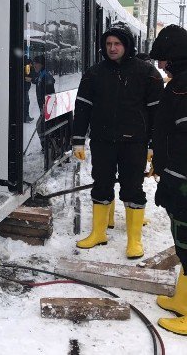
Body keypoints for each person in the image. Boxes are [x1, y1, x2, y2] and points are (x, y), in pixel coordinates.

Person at [72, 22, 163, 258]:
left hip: (135, 142)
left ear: (127, 45)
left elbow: (156, 112)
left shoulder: (147, 73)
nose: (112, 48)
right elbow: (82, 108)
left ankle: (134, 241)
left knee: (133, 188)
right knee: (101, 184)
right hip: (103, 141)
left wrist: (154, 144)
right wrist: (78, 140)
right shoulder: (94, 73)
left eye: (117, 44)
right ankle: (98, 233)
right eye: (109, 44)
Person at [148, 24, 187, 335]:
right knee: (181, 240)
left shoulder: (184, 87)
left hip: (184, 180)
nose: (159, 65)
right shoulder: (178, 84)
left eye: (162, 59)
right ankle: (183, 302)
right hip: (178, 176)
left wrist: (171, 178)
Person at [32, 55, 55, 150]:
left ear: (41, 64)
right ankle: (47, 145)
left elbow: (50, 92)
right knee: (43, 126)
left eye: (36, 64)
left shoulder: (46, 75)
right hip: (43, 107)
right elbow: (38, 81)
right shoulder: (41, 74)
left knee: (40, 126)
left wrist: (46, 106)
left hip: (46, 107)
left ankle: (47, 146)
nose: (34, 66)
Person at [23, 56, 34, 123]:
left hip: (25, 87)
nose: (31, 65)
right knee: (27, 102)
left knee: (26, 102)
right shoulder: (27, 67)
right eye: (31, 64)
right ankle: (26, 117)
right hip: (25, 88)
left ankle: (26, 116)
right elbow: (30, 75)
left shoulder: (25, 66)